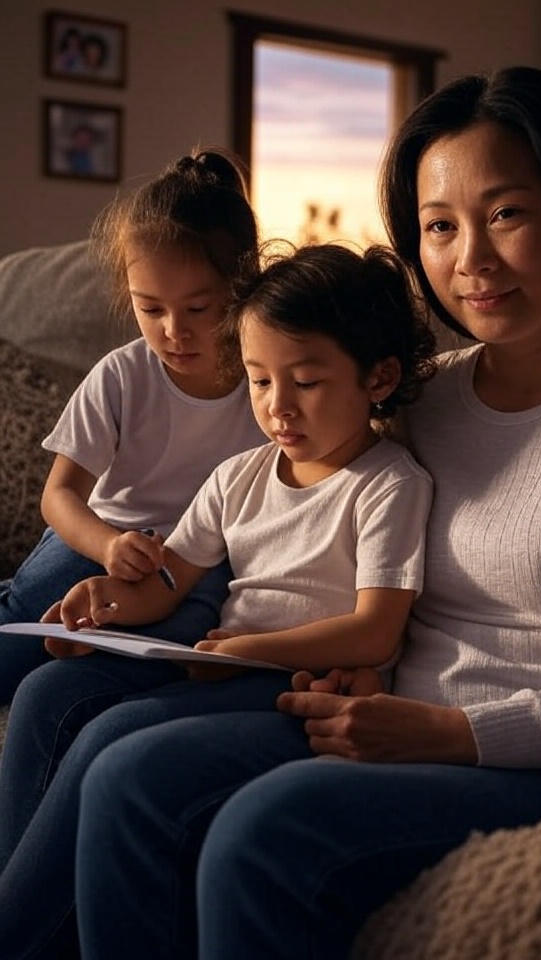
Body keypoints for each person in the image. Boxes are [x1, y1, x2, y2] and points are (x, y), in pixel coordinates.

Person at [14, 64, 541, 959]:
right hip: (389, 712)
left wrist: (457, 731)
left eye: (505, 213)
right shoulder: (426, 395)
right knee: (129, 768)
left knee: (263, 828)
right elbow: (326, 534)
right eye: (438, 226)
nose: (471, 259)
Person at [0, 243, 435, 959]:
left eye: (306, 383)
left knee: (115, 742)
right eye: (260, 383)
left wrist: (246, 651)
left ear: (379, 377)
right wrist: (104, 602)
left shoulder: (387, 484)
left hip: (293, 689)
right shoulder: (240, 475)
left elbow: (373, 631)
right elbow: (168, 579)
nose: (278, 408)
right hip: (227, 667)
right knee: (56, 691)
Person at [0, 147, 264, 706]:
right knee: (23, 635)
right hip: (100, 540)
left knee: (206, 606)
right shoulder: (123, 375)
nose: (174, 331)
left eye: (198, 309)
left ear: (242, 287)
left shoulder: (269, 383)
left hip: (196, 565)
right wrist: (109, 544)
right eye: (151, 309)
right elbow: (60, 494)